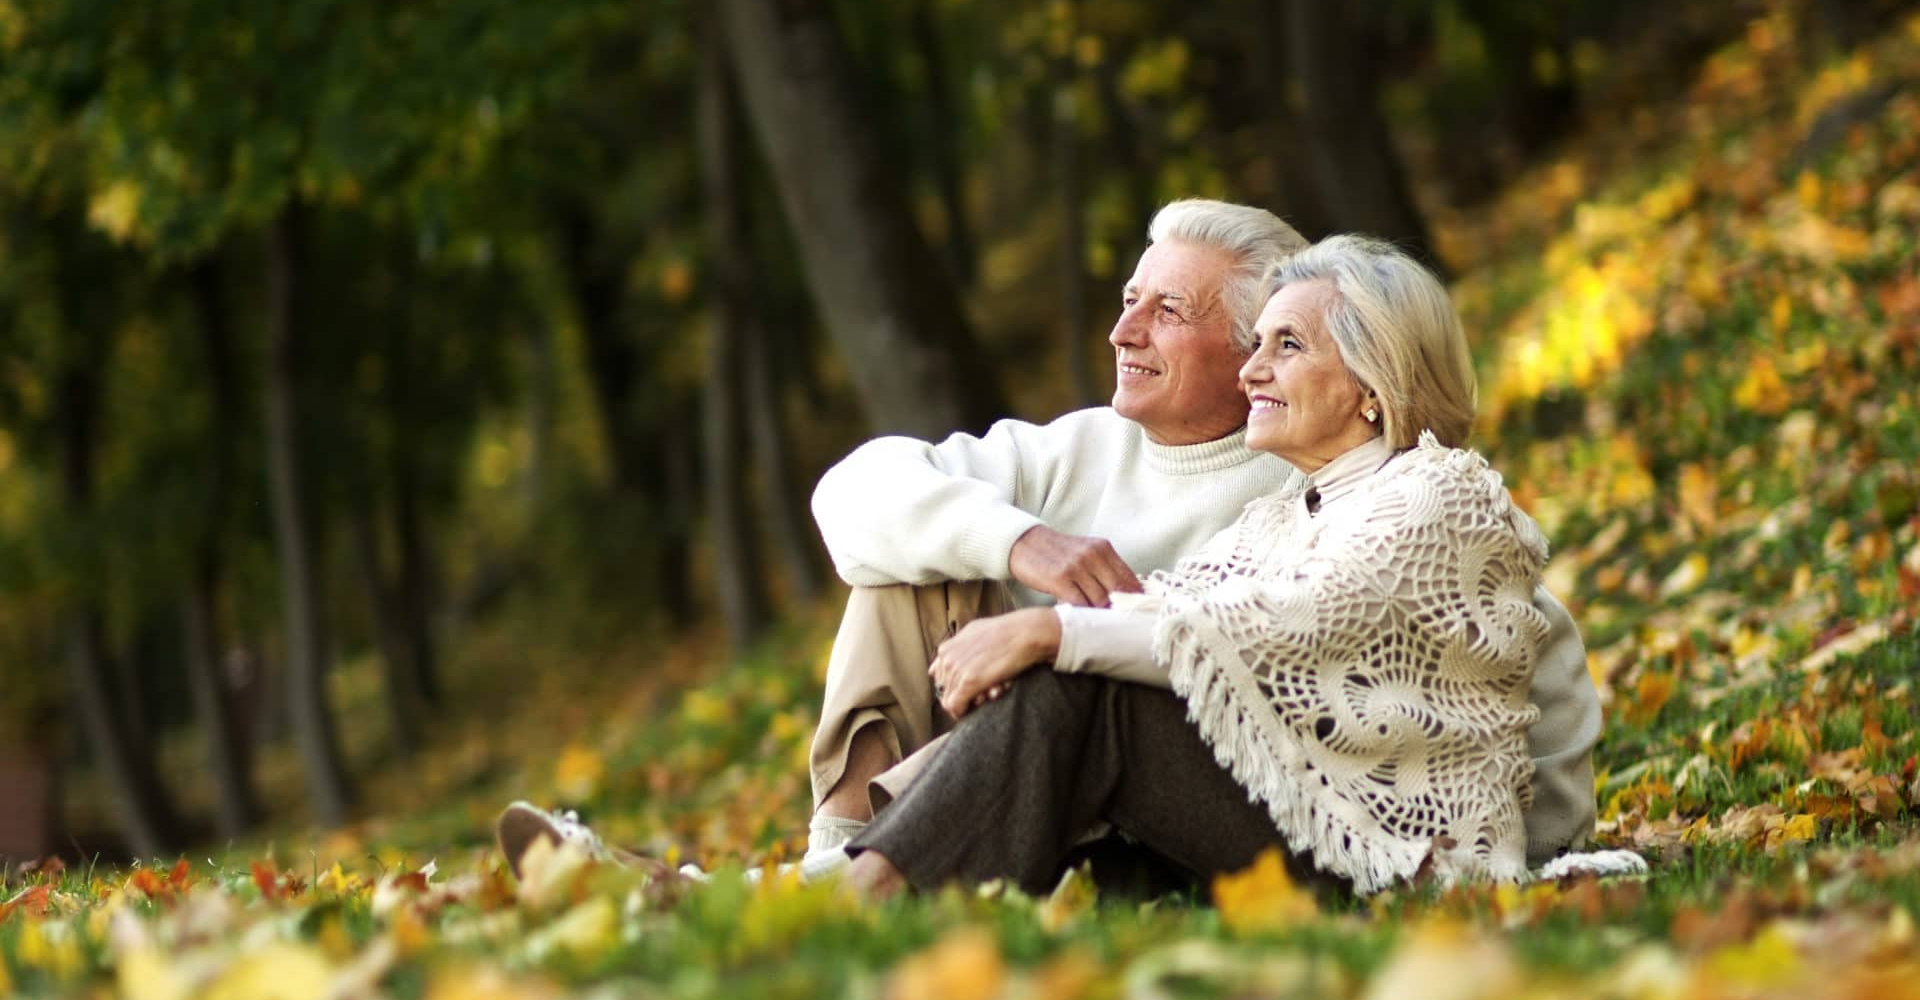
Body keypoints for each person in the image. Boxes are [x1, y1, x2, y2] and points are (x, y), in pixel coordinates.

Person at [495, 201, 1600, 884]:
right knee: (921, 580)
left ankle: (820, 893)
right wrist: (1023, 549)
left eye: (1171, 314)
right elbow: (854, 498)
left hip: (1320, 845)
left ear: (1354, 380)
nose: (1121, 331)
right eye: (1127, 300)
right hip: (1115, 782)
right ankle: (835, 868)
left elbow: (1496, 664)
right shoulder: (1169, 476)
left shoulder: (1400, 493)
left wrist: (1528, 840)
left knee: (1082, 672)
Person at [842, 235, 1558, 898]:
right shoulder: (1280, 516)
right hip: (1280, 820)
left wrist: (1050, 634)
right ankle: (871, 876)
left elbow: (1294, 624)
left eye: (1288, 345)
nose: (1252, 369)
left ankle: (859, 896)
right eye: (1257, 344)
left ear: (1372, 382)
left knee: (1088, 688)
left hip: (1396, 862)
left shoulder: (1440, 492)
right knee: (1076, 763)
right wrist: (1050, 638)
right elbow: (1160, 609)